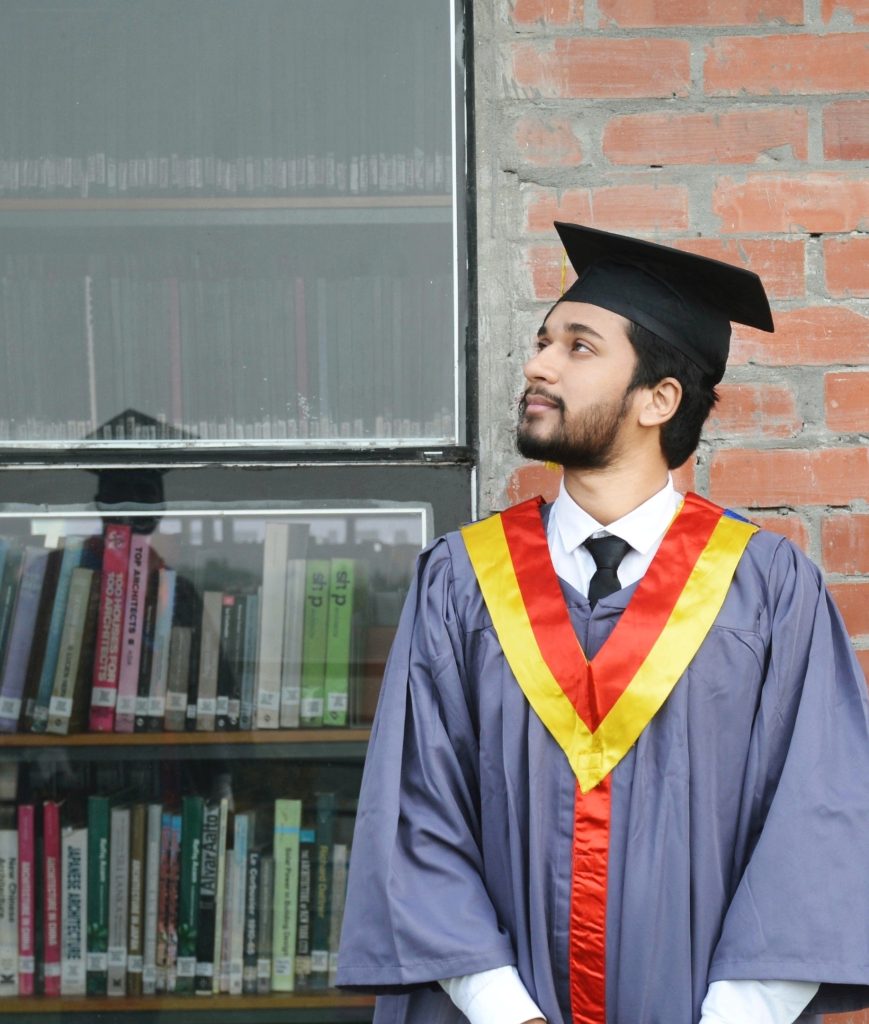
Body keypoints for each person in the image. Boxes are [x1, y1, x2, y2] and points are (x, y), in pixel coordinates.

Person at [336, 222, 869, 1024]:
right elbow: (415, 811)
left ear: (658, 399)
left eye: (577, 347)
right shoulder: (461, 580)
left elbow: (815, 818)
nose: (536, 364)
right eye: (542, 340)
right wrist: (502, 1010)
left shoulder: (765, 587)